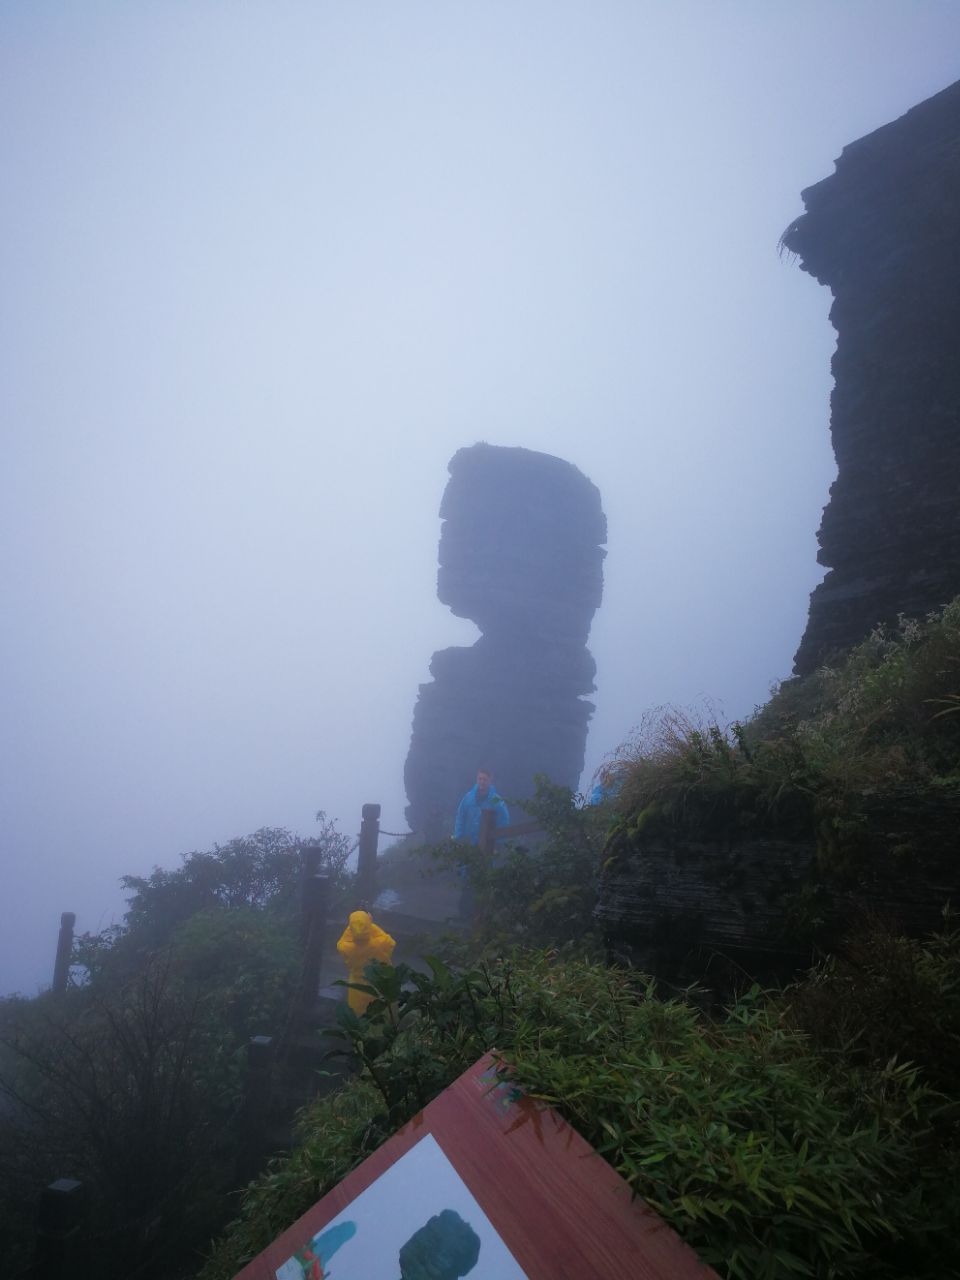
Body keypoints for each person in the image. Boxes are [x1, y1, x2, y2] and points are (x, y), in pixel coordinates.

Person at [453, 768, 510, 843]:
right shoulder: (468, 797)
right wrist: (458, 836)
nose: (482, 782)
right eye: (480, 779)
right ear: (477, 780)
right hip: (467, 843)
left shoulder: (496, 800)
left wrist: (498, 843)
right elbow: (460, 816)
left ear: (490, 781)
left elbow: (503, 821)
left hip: (487, 844)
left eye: (485, 779)